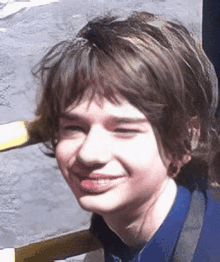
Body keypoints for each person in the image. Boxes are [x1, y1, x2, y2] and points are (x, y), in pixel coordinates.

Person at [1, 11, 220, 261]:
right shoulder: (115, 232)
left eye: (124, 129)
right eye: (74, 127)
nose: (89, 153)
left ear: (186, 138)